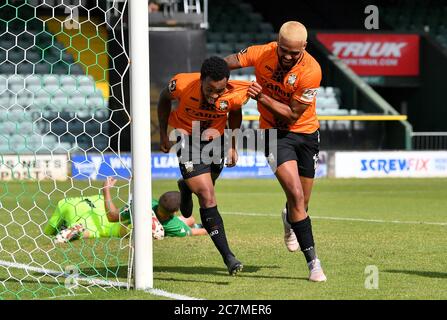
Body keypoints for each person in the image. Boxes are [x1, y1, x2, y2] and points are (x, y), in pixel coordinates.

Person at [224, 21, 327, 282]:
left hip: (305, 133)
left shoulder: (311, 71)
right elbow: (229, 62)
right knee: (294, 194)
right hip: (272, 134)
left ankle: (289, 219)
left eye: (294, 52)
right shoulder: (262, 53)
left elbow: (292, 114)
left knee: (302, 201)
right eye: (284, 50)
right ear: (277, 44)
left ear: (304, 47)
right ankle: (314, 263)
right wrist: (208, 75)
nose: (288, 56)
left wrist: (263, 98)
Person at [157, 56, 260, 275]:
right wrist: (163, 134)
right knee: (207, 195)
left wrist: (232, 146)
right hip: (185, 136)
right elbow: (163, 99)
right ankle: (229, 257)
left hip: (216, 140)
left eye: (219, 91)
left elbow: (235, 112)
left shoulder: (236, 91)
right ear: (201, 79)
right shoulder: (182, 84)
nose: (214, 96)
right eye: (209, 90)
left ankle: (186, 186)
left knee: (207, 185)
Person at [44, 177, 207, 242]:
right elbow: (112, 218)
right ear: (175, 211)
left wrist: (106, 190)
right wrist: (207, 228)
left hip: (97, 207)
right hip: (116, 226)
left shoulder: (146, 202)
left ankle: (77, 230)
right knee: (102, 231)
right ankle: (79, 231)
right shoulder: (173, 224)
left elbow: (49, 231)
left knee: (190, 220)